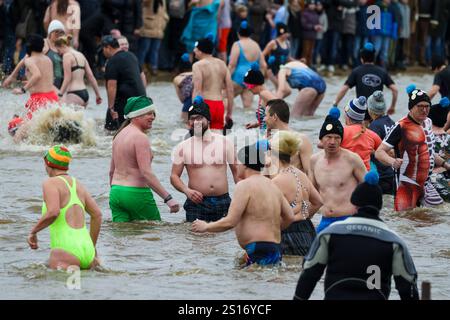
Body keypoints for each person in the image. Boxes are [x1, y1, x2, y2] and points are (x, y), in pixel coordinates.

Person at [294, 171, 419, 300]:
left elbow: (309, 275)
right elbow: (407, 286)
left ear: (353, 204)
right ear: (380, 207)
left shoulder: (330, 234)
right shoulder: (394, 241)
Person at [191, 142, 297, 267]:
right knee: (267, 282)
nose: (237, 166)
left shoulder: (244, 185)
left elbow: (230, 221)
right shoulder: (272, 185)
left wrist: (206, 227)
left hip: (257, 248)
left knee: (250, 283)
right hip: (274, 247)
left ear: (245, 165)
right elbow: (290, 216)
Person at [27, 145, 102, 270]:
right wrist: (91, 246)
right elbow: (97, 215)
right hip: (87, 251)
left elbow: (53, 212)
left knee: (61, 288)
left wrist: (33, 232)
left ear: (48, 164)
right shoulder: (78, 184)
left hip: (66, 251)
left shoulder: (50, 183)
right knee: (79, 288)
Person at [110, 96, 180, 222]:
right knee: (153, 234)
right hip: (136, 193)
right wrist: (168, 198)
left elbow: (111, 171)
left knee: (122, 236)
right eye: (148, 113)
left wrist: (117, 193)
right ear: (136, 116)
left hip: (116, 193)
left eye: (153, 113)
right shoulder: (140, 137)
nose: (153, 117)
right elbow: (146, 173)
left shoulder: (118, 136)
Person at [170, 96, 239, 222]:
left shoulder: (225, 142)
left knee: (224, 240)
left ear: (208, 119)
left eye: (200, 118)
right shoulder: (183, 147)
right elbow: (174, 176)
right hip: (196, 202)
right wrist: (187, 191)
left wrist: (242, 197)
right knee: (196, 240)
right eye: (192, 118)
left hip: (223, 201)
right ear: (188, 122)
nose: (196, 122)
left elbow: (237, 172)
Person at [375, 85, 433, 211]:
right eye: (420, 106)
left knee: (431, 221)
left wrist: (445, 164)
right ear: (411, 107)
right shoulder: (400, 126)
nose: (424, 110)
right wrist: (392, 162)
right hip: (405, 184)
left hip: (427, 185)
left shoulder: (428, 122)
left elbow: (429, 152)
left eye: (427, 106)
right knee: (404, 219)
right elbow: (379, 152)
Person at [311, 108, 367, 233]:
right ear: (321, 139)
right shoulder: (314, 161)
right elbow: (311, 195)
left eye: (337, 138)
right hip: (325, 221)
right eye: (328, 137)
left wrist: (364, 219)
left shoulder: (352, 159)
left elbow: (368, 189)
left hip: (348, 221)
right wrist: (304, 220)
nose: (332, 142)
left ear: (341, 139)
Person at [269, 131, 322, 256]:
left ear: (274, 153)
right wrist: (304, 216)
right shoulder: (301, 174)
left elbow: (271, 214)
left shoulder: (277, 180)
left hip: (288, 235)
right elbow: (318, 202)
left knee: (286, 272)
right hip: (307, 231)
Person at [333, 43, 398, 115]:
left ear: (361, 58)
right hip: (377, 112)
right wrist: (392, 106)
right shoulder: (382, 72)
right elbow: (395, 90)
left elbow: (344, 89)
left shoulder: (356, 71)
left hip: (362, 111)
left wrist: (335, 104)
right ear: (374, 57)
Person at [2, 19, 66, 91]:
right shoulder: (44, 44)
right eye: (56, 32)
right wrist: (12, 76)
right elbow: (25, 59)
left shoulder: (61, 47)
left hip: (59, 86)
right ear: (50, 32)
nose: (58, 35)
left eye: (61, 33)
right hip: (46, 87)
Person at [9, 34, 58, 123]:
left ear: (29, 46)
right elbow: (46, 79)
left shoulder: (30, 60)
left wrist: (23, 89)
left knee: (14, 128)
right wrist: (30, 82)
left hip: (39, 100)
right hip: (52, 97)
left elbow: (37, 75)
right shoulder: (48, 59)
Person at [101, 35, 146, 131]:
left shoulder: (112, 61)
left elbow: (112, 86)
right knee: (138, 130)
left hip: (124, 103)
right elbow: (143, 77)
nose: (103, 52)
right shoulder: (132, 56)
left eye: (103, 49)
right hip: (141, 101)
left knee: (111, 131)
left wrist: (111, 108)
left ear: (108, 48)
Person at [192, 34, 234, 131]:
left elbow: (197, 90)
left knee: (199, 140)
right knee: (217, 139)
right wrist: (229, 113)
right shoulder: (222, 64)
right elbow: (230, 90)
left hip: (205, 105)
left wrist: (193, 114)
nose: (194, 51)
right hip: (219, 106)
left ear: (201, 51)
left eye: (196, 49)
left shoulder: (198, 65)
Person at [264, 99, 313, 176]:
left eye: (265, 115)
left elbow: (309, 172)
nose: (264, 119)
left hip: (292, 185)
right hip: (273, 186)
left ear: (274, 117)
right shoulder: (267, 141)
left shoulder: (301, 139)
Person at [54, 35, 102, 107]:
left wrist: (60, 94)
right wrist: (98, 95)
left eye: (58, 50)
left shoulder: (67, 56)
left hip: (74, 93)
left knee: (68, 118)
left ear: (63, 46)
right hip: (85, 93)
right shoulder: (81, 55)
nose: (59, 53)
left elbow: (67, 78)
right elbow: (91, 76)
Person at [229, 21, 266, 109]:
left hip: (238, 77)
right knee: (248, 107)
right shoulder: (256, 45)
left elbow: (232, 64)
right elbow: (263, 65)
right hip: (251, 79)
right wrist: (259, 81)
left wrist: (225, 78)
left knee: (225, 98)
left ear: (238, 33)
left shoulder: (237, 44)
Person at [341, 96, 382, 171]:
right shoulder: (372, 134)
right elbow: (385, 153)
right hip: (365, 175)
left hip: (346, 174)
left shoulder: (341, 132)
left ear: (348, 116)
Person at [367, 91, 396, 194]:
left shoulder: (374, 126)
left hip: (380, 175)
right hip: (392, 173)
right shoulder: (392, 123)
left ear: (370, 110)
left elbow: (369, 149)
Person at [242, 64, 277, 132]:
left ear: (257, 84)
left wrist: (271, 132)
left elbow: (281, 108)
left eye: (249, 86)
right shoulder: (262, 95)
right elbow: (268, 115)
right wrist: (257, 124)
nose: (248, 89)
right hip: (265, 135)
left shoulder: (264, 94)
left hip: (270, 136)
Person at [262, 22, 291, 87]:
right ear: (281, 33)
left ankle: (271, 96)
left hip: (282, 69)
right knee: (282, 89)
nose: (287, 35)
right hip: (272, 69)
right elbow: (262, 54)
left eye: (287, 33)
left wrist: (298, 61)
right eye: (286, 33)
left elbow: (288, 57)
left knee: (284, 90)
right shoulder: (273, 43)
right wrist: (264, 65)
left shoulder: (288, 43)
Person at [173, 53, 193, 123]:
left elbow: (182, 99)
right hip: (202, 102)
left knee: (185, 128)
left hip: (188, 104)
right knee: (200, 130)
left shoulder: (177, 78)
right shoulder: (197, 74)